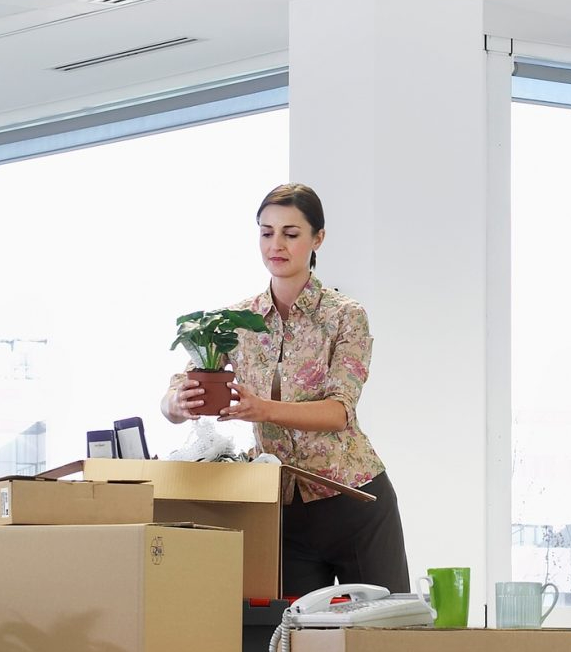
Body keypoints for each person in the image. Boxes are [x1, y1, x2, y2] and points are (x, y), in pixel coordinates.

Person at [162, 182, 409, 598]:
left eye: (291, 234)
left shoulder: (345, 317)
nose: (276, 244)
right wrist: (175, 403)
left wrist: (264, 409)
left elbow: (338, 411)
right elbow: (185, 385)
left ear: (318, 239)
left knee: (380, 640)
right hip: (281, 509)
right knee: (292, 644)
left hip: (355, 501)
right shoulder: (238, 319)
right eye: (266, 232)